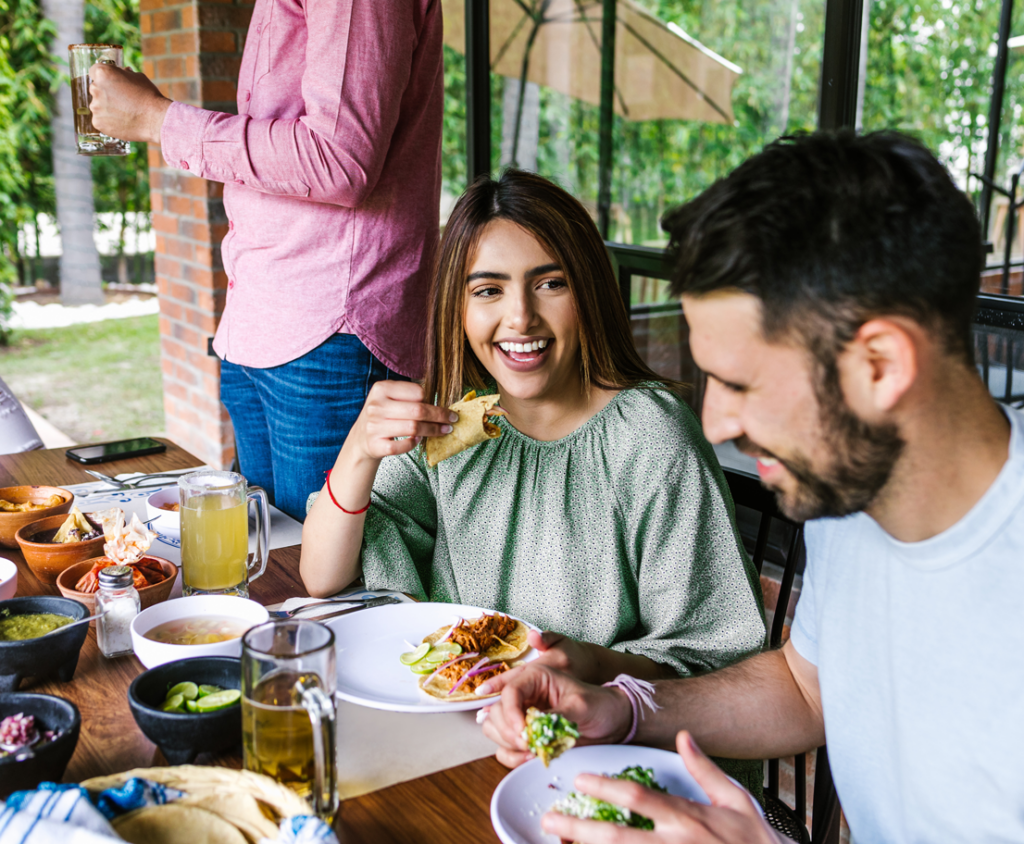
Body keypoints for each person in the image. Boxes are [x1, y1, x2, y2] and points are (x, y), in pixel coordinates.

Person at [479, 131, 1024, 844]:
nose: (714, 423)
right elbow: (806, 687)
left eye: (741, 384)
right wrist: (624, 707)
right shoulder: (852, 490)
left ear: (882, 365)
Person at [301, 169, 766, 788]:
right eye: (487, 290)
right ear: (457, 307)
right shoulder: (453, 420)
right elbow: (321, 575)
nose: (520, 318)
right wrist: (360, 451)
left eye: (550, 283)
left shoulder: (652, 440)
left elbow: (712, 661)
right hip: (458, 741)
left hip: (597, 756)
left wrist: (591, 668)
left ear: (590, 291)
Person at [87, 2, 443, 521]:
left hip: (329, 332)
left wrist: (156, 118)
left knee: (329, 584)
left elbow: (338, 160)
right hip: (261, 320)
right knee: (270, 560)